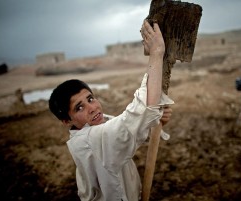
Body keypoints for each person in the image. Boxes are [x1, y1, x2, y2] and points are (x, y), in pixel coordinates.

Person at [48, 20, 174, 201]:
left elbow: (135, 129)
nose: (92, 108)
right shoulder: (91, 140)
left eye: (90, 98)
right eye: (79, 107)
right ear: (67, 121)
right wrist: (156, 54)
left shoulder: (99, 125)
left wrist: (157, 122)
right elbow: (140, 112)